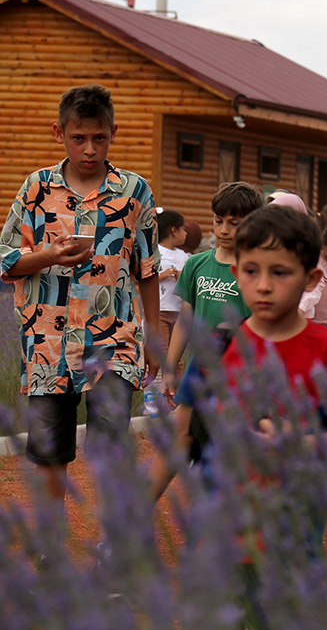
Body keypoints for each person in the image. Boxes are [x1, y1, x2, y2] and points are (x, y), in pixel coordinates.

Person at [151, 204, 327, 630]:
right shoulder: (218, 347)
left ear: (310, 279)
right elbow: (181, 435)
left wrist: (302, 443)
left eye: (280, 272)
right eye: (251, 271)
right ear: (236, 274)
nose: (263, 285)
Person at [0, 83, 159, 512]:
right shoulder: (36, 189)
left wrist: (155, 337)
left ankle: (114, 543)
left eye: (99, 137)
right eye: (78, 138)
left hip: (114, 338)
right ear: (59, 133)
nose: (89, 148)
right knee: (49, 454)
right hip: (47, 344)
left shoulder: (133, 191)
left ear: (113, 133)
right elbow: (5, 260)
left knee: (110, 443)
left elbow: (148, 267)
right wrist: (48, 254)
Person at [165, 182, 264, 394]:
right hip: (199, 375)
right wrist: (170, 369)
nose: (224, 230)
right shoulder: (195, 264)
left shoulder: (259, 270)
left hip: (244, 380)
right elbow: (185, 320)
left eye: (234, 223)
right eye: (218, 221)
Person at [147, 208, 189, 415]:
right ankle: (153, 405)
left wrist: (183, 276)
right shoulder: (156, 253)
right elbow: (144, 280)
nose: (186, 234)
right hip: (160, 312)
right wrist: (162, 275)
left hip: (178, 313)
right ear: (173, 231)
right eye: (183, 230)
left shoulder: (184, 257)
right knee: (159, 356)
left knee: (176, 358)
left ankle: (175, 399)